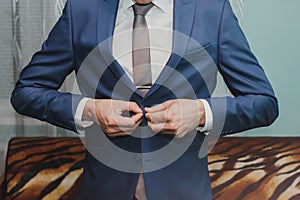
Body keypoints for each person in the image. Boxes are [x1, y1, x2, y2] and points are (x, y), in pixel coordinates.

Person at [11, 0, 279, 199]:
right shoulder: (82, 10)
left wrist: (200, 112)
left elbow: (263, 102)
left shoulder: (212, 9)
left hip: (184, 190)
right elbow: (27, 92)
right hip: (103, 190)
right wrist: (90, 109)